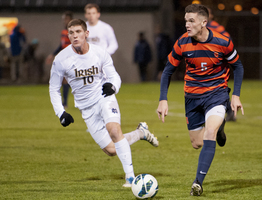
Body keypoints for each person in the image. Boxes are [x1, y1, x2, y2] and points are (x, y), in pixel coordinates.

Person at [49, 19, 159, 187]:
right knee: (111, 150)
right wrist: (60, 112)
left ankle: (130, 178)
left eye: (78, 31)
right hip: (86, 108)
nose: (74, 35)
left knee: (114, 131)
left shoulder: (99, 53)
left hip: (104, 98)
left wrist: (113, 86)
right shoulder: (61, 59)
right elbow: (53, 88)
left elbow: (114, 76)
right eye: (71, 32)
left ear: (86, 34)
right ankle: (140, 133)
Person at [156, 4, 244, 196]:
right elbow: (168, 71)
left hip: (217, 94)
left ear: (204, 22)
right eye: (186, 20)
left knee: (209, 132)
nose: (187, 24)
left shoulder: (222, 41)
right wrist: (163, 99)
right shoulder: (182, 43)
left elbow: (237, 66)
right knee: (197, 143)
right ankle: (219, 128)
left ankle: (198, 182)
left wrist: (235, 95)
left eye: (191, 21)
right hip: (192, 97)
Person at [206, 7, 235, 121]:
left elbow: (228, 41)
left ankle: (229, 109)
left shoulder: (217, 27)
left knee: (216, 86)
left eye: (207, 14)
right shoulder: (200, 28)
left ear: (212, 16)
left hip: (216, 62)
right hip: (205, 62)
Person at [46, 11, 73, 108]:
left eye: (66, 19)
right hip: (65, 59)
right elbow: (61, 46)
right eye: (64, 19)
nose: (64, 21)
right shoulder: (63, 32)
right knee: (65, 80)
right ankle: (64, 103)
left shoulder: (74, 32)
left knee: (76, 80)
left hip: (73, 58)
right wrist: (52, 54)